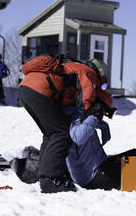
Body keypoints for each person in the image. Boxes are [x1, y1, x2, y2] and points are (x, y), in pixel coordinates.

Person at [18, 55, 114, 193]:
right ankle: (50, 180)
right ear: (99, 73)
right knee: (61, 133)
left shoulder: (71, 69)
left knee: (50, 134)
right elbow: (86, 97)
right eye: (102, 84)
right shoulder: (87, 72)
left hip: (26, 88)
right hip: (40, 90)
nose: (100, 87)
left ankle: (44, 175)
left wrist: (101, 125)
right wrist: (90, 115)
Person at [65, 103, 136, 190]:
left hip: (97, 170)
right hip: (93, 177)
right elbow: (78, 137)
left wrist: (104, 127)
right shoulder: (74, 118)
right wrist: (94, 116)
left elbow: (88, 124)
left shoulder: (76, 115)